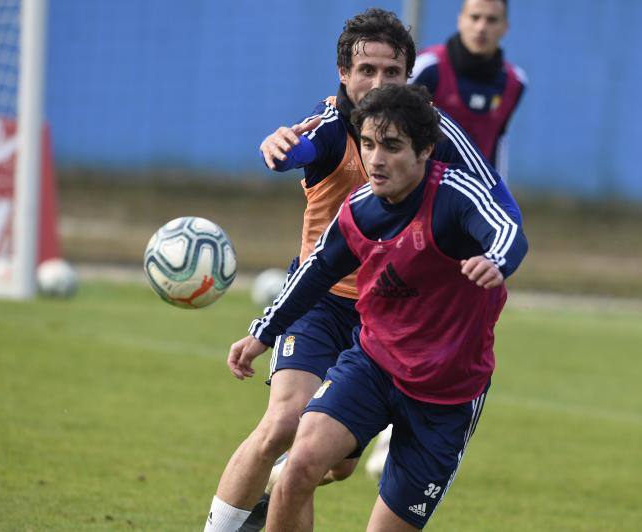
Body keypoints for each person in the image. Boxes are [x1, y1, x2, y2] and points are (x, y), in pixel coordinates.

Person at [204, 9, 524, 532]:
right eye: (366, 70)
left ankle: (277, 491)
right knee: (287, 428)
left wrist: (497, 255)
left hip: (401, 323)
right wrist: (278, 148)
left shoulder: (440, 151)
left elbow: (500, 207)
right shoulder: (333, 129)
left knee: (338, 466)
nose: (377, 82)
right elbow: (302, 153)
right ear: (342, 74)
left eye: (391, 72)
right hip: (327, 304)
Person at [410, 0, 525, 178]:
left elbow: (499, 141)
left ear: (505, 27)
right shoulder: (426, 68)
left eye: (491, 20)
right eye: (475, 17)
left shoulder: (515, 82)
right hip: (420, 190)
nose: (481, 27)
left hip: (474, 197)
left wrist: (500, 197)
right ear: (460, 20)